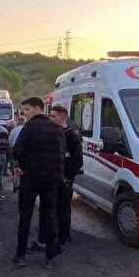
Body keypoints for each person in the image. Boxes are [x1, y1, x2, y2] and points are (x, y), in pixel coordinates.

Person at [11, 97, 66, 268]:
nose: (25, 114)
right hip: (51, 180)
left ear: (37, 108)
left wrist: (19, 165)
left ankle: (20, 256)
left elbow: (17, 150)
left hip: (31, 178)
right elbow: (61, 155)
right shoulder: (58, 129)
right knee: (49, 216)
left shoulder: (30, 127)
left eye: (27, 110)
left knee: (25, 216)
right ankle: (49, 258)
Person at [49, 104, 84, 248]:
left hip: (65, 179)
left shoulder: (72, 136)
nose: (50, 118)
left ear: (62, 117)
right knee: (52, 206)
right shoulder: (52, 133)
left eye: (53, 116)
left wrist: (68, 177)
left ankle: (64, 234)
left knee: (64, 207)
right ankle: (53, 231)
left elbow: (78, 160)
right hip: (52, 177)